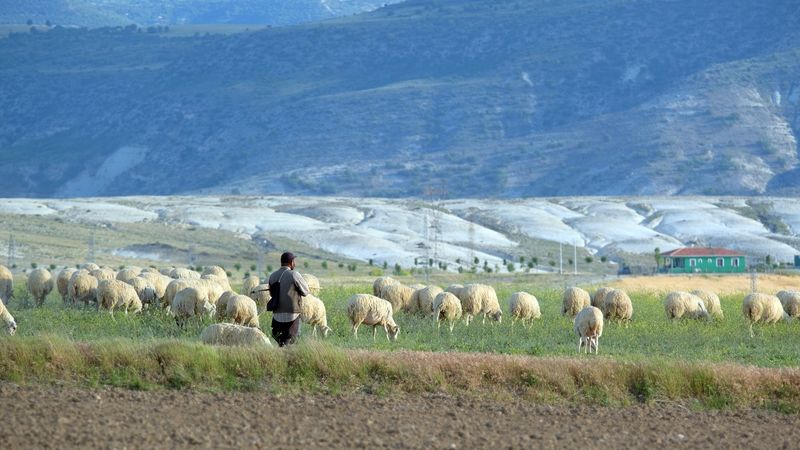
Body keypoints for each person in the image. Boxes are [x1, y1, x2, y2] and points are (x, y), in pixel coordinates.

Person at [268, 252, 309, 346]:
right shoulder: (294, 274)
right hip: (292, 316)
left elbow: (271, 294)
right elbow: (306, 292)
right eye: (294, 261)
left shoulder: (272, 276)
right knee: (291, 342)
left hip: (277, 316)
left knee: (281, 343)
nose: (295, 263)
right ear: (291, 262)